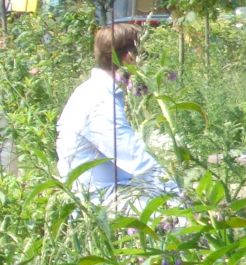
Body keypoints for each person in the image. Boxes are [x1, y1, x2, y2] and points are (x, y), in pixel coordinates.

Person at [57, 22, 179, 207]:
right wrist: (180, 191)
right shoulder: (100, 101)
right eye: (144, 55)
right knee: (181, 215)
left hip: (115, 188)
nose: (148, 64)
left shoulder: (94, 90)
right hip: (100, 199)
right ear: (130, 58)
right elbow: (134, 158)